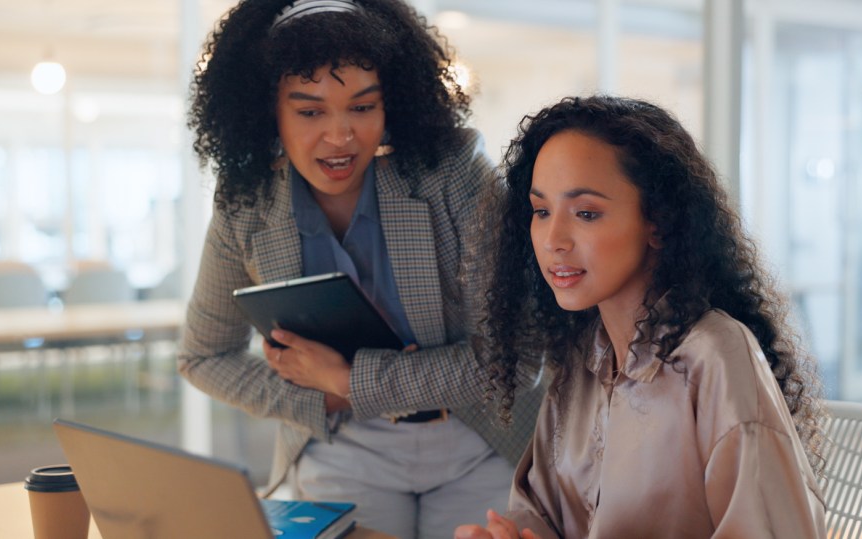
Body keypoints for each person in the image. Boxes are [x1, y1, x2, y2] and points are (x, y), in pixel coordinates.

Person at [178, 1, 544, 538]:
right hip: (344, 444)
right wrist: (322, 395)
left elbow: (516, 355)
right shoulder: (246, 203)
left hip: (480, 440)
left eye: (362, 107)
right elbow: (202, 357)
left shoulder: (455, 175)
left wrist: (350, 379)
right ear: (268, 113)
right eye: (310, 111)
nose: (340, 135)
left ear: (390, 105)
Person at [455, 95, 827, 539]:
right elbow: (541, 511)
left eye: (586, 213)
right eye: (541, 211)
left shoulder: (715, 356)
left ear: (658, 223)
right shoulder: (581, 359)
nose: (553, 239)